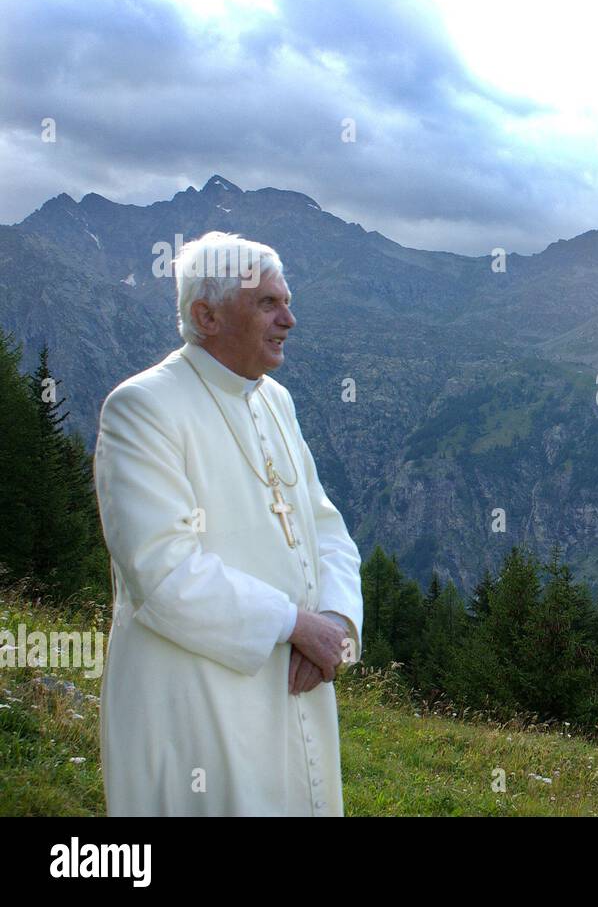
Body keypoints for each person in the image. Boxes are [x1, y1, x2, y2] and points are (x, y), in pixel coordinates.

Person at [94, 230, 363, 815]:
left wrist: (337, 623)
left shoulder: (275, 400)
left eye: (286, 301)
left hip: (297, 682)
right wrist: (296, 624)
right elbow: (162, 573)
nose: (289, 319)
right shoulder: (143, 408)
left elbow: (325, 527)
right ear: (206, 315)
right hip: (197, 697)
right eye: (267, 303)